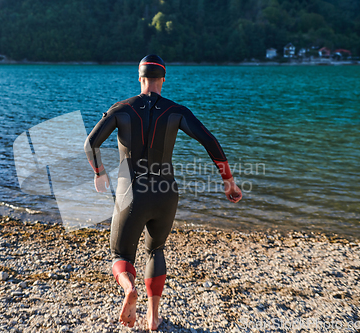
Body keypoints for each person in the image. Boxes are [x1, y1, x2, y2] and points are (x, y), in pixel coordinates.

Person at [84, 54, 242, 330]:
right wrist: (228, 180)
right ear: (163, 80)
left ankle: (129, 290)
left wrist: (100, 172)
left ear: (140, 78)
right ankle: (153, 317)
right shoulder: (177, 111)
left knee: (120, 255)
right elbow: (210, 141)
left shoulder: (121, 109)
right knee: (156, 249)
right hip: (166, 192)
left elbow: (90, 143)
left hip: (131, 192)